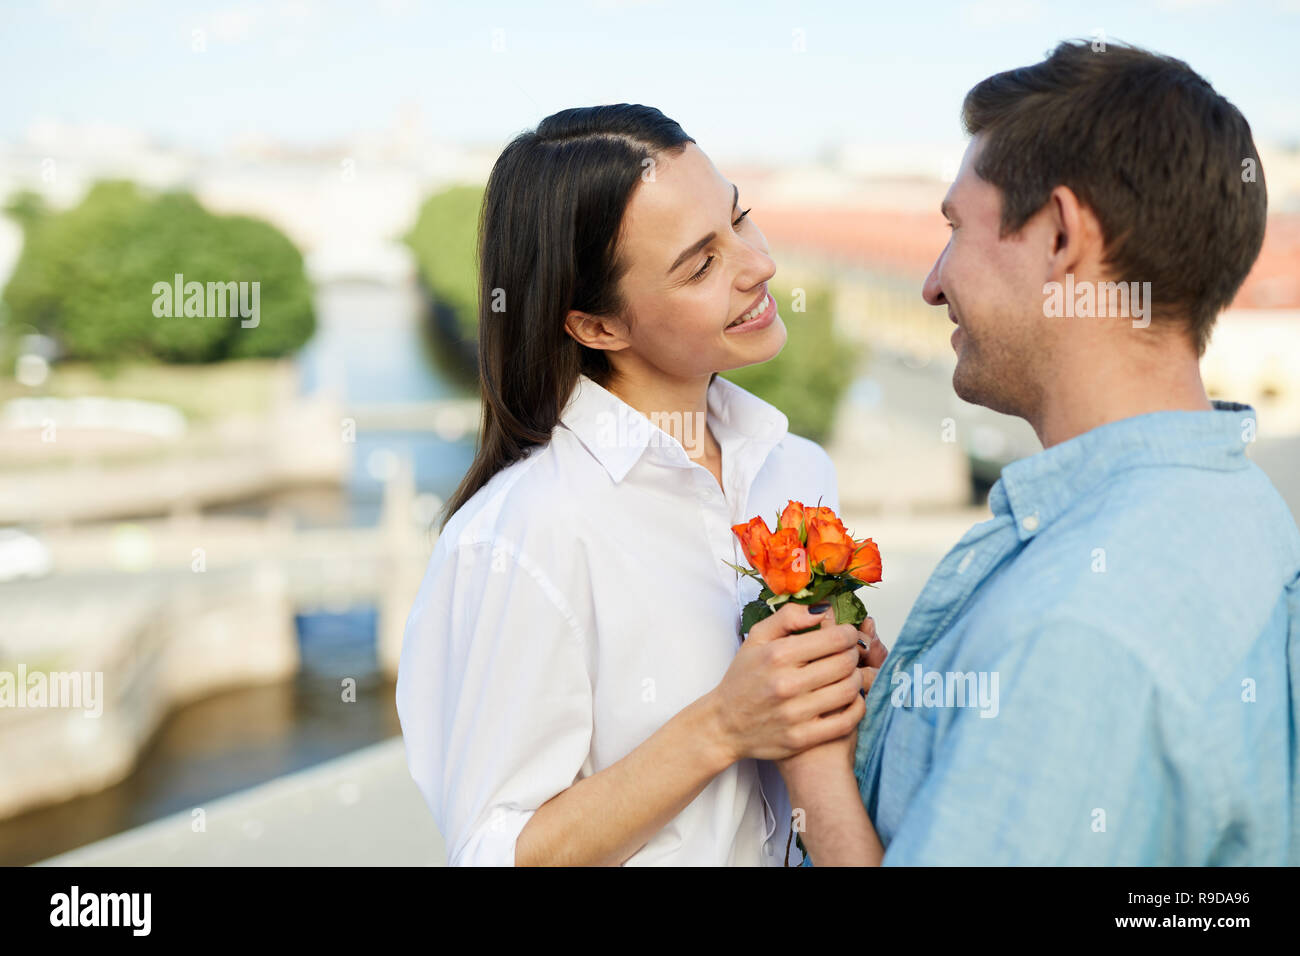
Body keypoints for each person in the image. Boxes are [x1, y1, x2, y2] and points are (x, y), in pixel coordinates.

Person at [782, 39, 1300, 866]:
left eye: (955, 227)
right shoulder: (1241, 511)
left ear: (1060, 235)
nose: (932, 281)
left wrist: (814, 775)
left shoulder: (1070, 634)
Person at [395, 104, 881, 866]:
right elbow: (494, 853)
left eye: (739, 219)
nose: (759, 266)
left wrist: (851, 692)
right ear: (596, 326)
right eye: (701, 265)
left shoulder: (796, 469)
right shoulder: (524, 532)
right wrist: (721, 726)